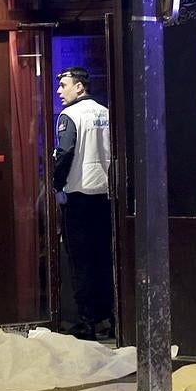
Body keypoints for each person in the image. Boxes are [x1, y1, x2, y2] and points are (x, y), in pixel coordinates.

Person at [53, 66, 113, 341]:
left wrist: (56, 184)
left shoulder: (70, 115)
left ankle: (86, 321)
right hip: (105, 196)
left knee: (81, 261)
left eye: (64, 85)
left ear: (79, 87)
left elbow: (64, 153)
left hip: (78, 197)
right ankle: (107, 318)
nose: (59, 91)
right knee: (104, 258)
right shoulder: (105, 113)